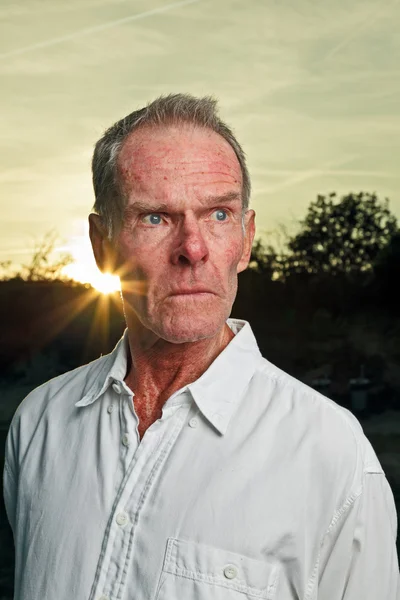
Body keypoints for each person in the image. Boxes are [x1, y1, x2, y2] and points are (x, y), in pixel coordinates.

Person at [3, 93, 399, 600]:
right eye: (155, 218)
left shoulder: (332, 454)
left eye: (217, 214)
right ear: (102, 246)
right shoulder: (40, 423)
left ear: (247, 238)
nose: (193, 248)